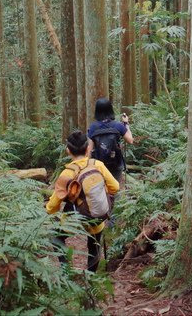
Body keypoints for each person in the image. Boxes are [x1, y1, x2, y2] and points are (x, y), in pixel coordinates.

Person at [45, 130, 120, 272]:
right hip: (97, 218)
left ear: (68, 151)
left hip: (74, 220)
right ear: (87, 149)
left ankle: (67, 270)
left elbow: (52, 207)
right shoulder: (97, 165)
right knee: (94, 246)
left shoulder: (66, 174)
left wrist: (48, 209)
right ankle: (91, 280)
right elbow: (115, 187)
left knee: (56, 237)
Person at [87, 98, 134, 185]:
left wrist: (87, 166)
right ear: (110, 109)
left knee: (101, 188)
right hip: (115, 162)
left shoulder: (93, 127)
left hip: (98, 164)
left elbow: (90, 149)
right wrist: (126, 124)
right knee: (115, 187)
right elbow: (130, 140)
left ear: (97, 110)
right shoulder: (117, 125)